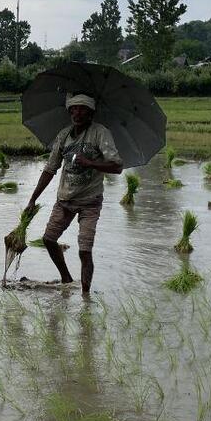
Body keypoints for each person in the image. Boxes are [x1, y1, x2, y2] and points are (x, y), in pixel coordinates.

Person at [24, 93, 122, 294]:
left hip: (90, 202)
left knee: (85, 251)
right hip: (65, 200)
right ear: (69, 111)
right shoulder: (64, 136)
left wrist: (91, 162)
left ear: (91, 113)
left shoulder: (100, 133)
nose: (77, 113)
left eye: (82, 109)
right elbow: (50, 169)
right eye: (73, 109)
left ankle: (86, 296)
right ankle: (66, 278)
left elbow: (117, 166)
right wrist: (33, 199)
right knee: (48, 240)